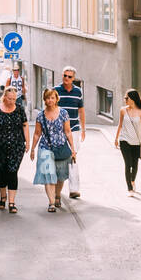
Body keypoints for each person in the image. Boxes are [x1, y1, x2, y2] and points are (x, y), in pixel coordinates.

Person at [0, 83, 28, 213]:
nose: (12, 101)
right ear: (4, 97)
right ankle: (3, 197)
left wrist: (27, 143)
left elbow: (25, 125)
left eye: (14, 99)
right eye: (10, 99)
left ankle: (12, 203)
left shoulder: (19, 109)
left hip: (16, 147)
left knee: (12, 173)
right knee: (2, 173)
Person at [29, 87, 76, 211]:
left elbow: (68, 132)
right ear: (44, 100)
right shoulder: (40, 115)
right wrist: (33, 149)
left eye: (52, 98)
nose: (50, 100)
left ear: (56, 99)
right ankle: (51, 203)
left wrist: (73, 149)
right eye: (48, 98)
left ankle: (57, 195)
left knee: (60, 177)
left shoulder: (63, 113)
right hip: (45, 148)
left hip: (61, 147)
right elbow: (37, 133)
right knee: (48, 175)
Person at [54, 67, 85, 198]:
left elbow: (81, 110)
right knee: (59, 158)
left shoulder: (78, 92)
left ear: (74, 78)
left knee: (73, 157)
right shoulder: (56, 90)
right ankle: (56, 188)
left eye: (69, 77)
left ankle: (74, 189)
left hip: (74, 129)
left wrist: (83, 129)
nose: (66, 79)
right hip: (59, 130)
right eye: (65, 76)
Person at [115, 90, 141, 194]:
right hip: (124, 140)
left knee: (135, 165)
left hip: (136, 142)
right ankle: (129, 188)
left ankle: (132, 181)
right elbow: (120, 125)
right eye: (125, 98)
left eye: (127, 98)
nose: (125, 100)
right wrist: (116, 138)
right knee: (128, 164)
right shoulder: (123, 110)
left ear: (132, 99)